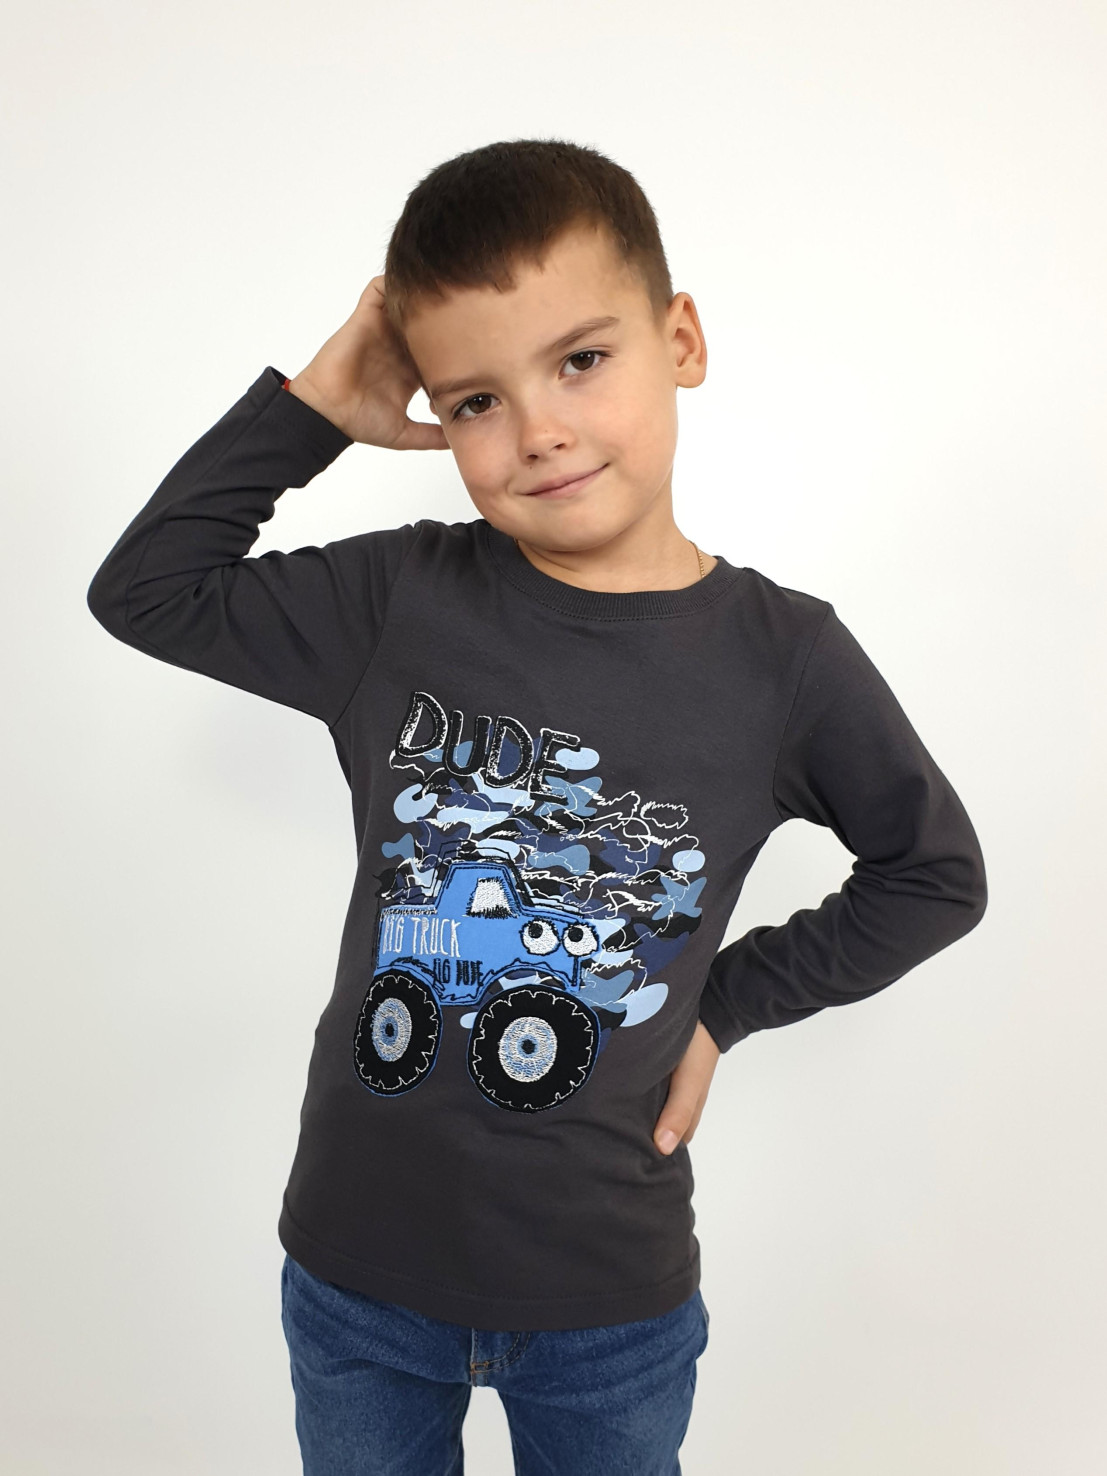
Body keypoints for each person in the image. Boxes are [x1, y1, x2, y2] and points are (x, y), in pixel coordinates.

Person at [86, 137, 988, 1476]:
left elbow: (933, 875)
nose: (539, 431)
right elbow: (145, 591)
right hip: (355, 1274)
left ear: (680, 340)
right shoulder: (397, 601)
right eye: (474, 401)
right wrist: (317, 405)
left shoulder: (786, 660)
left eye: (580, 360)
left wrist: (723, 1005)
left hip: (605, 1303)